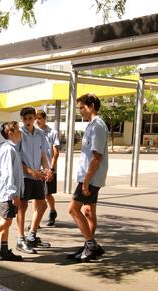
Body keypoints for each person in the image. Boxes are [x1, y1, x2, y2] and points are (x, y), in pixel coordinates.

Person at [67, 93, 108, 262]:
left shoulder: (98, 125)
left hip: (90, 177)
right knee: (89, 211)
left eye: (82, 108)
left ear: (91, 106)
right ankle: (89, 245)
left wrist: (85, 181)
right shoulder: (92, 125)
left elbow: (96, 157)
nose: (80, 111)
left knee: (73, 209)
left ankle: (91, 245)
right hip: (88, 176)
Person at [16, 106, 52, 255]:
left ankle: (31, 235)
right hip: (25, 175)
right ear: (22, 119)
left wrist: (47, 169)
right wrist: (32, 172)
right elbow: (17, 158)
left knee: (42, 205)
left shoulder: (40, 134)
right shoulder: (19, 134)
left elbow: (43, 154)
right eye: (25, 119)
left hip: (38, 175)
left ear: (35, 118)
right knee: (22, 207)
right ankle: (20, 239)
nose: (28, 121)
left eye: (30, 118)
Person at [0, 121, 24, 261]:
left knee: (6, 221)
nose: (20, 131)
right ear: (10, 133)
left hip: (8, 192)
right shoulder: (8, 149)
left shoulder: (12, 148)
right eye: (17, 129)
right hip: (7, 193)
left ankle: (4, 250)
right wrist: (13, 193)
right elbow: (8, 173)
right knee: (6, 222)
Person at [35, 110, 61, 226]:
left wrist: (52, 168)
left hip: (49, 168)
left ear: (45, 118)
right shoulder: (34, 132)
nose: (37, 120)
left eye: (39, 118)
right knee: (36, 195)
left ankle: (52, 211)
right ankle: (37, 222)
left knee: (47, 194)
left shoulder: (52, 132)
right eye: (35, 118)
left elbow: (56, 152)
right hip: (37, 168)